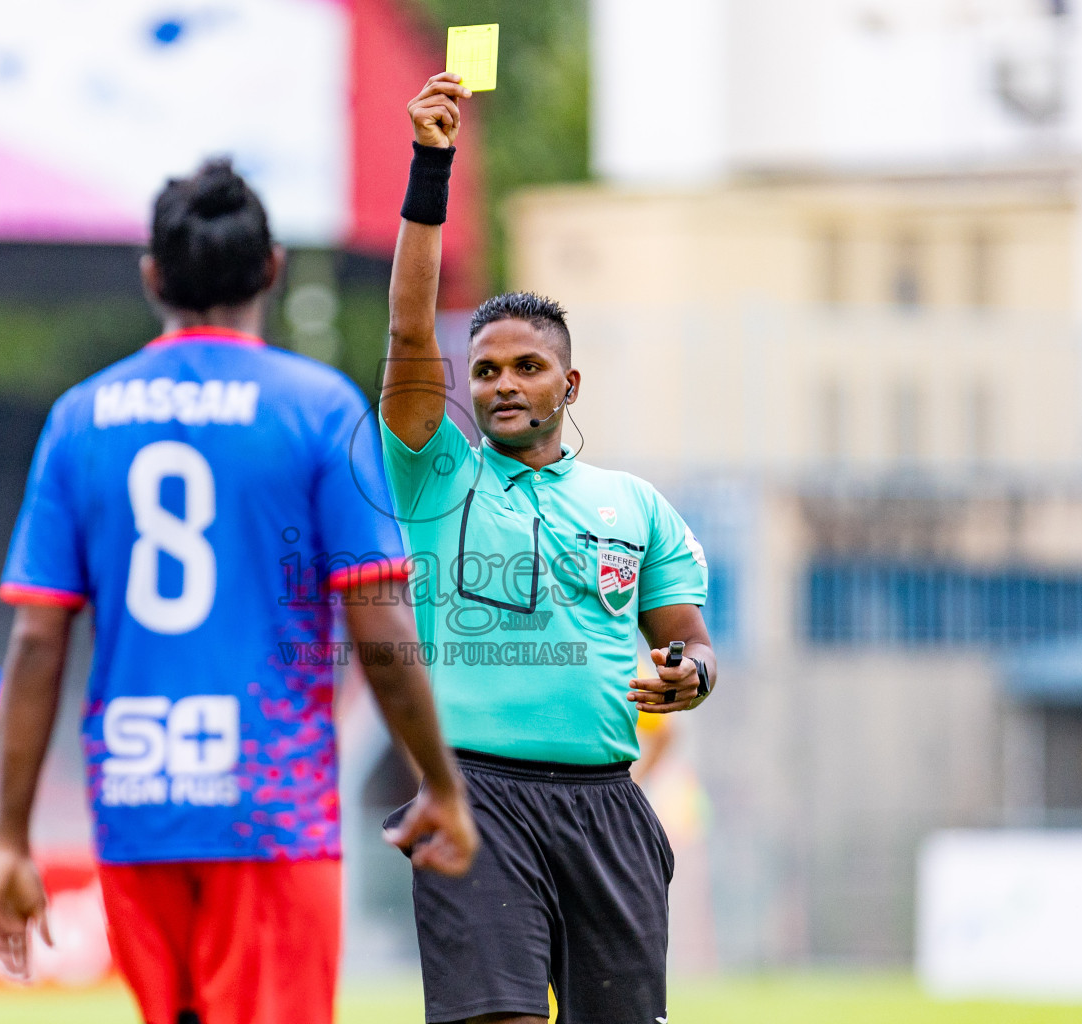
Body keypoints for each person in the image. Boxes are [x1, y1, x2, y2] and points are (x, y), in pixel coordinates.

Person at [0, 159, 477, 1024]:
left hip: (137, 803)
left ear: (152, 277)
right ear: (273, 268)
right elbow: (378, 620)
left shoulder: (79, 418)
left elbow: (35, 642)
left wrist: (11, 838)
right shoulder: (318, 408)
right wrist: (438, 779)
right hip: (267, 803)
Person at [378, 73, 719, 1024]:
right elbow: (409, 329)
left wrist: (686, 675)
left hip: (610, 807)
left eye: (527, 366)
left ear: (571, 383)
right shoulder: (437, 477)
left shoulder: (635, 505)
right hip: (476, 795)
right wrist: (431, 165)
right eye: (484, 370)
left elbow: (688, 641)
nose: (501, 384)